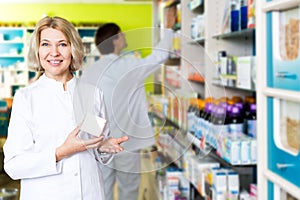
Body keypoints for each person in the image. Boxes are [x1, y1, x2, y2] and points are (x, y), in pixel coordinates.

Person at [3, 16, 128, 200]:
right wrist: (61, 152)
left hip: (90, 193)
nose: (54, 52)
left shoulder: (92, 93)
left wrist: (103, 147)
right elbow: (14, 165)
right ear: (37, 51)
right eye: (45, 44)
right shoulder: (27, 98)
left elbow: (96, 144)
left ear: (73, 49)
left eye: (62, 44)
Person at [80, 23, 174, 200]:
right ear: (115, 40)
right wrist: (169, 30)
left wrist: (99, 137)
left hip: (101, 144)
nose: (125, 37)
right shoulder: (127, 65)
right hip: (126, 143)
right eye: (121, 34)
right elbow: (159, 56)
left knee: (102, 190)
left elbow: (82, 112)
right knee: (128, 191)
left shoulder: (89, 72)